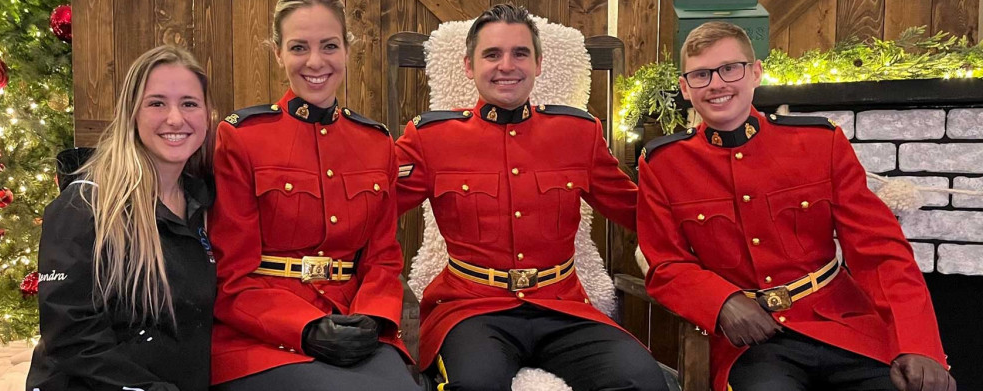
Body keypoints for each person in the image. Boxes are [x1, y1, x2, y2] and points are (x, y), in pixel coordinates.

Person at [637, 21, 955, 391]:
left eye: (730, 68)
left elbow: (880, 251)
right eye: (701, 75)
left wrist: (917, 343)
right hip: (754, 343)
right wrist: (721, 301)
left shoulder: (820, 143)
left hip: (841, 325)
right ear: (685, 89)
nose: (717, 84)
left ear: (755, 73)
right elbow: (666, 263)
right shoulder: (663, 164)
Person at [393, 4, 668, 390]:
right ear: (468, 66)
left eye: (520, 53)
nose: (507, 65)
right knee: (474, 385)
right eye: (492, 54)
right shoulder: (430, 138)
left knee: (642, 381)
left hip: (563, 306)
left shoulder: (577, 133)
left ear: (538, 63)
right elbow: (370, 211)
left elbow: (640, 211)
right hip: (471, 308)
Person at [207, 1, 418, 390]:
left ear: (348, 50)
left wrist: (373, 316)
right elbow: (230, 274)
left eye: (330, 46)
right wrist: (304, 329)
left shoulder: (376, 143)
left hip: (352, 320)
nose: (315, 61)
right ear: (278, 53)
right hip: (262, 335)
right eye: (299, 47)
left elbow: (383, 258)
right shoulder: (242, 137)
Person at [26, 45, 217, 391]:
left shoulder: (205, 203)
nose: (175, 118)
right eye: (157, 103)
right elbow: (70, 333)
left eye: (189, 103)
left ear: (207, 115)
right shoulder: (85, 205)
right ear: (131, 113)